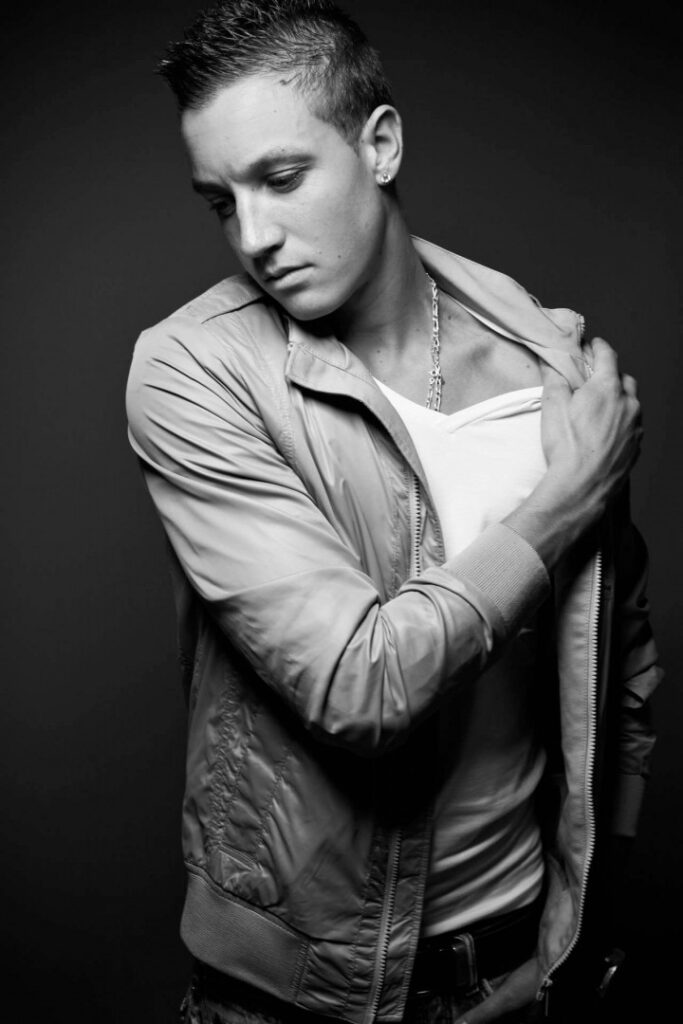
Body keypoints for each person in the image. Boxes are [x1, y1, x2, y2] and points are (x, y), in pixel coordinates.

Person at [125, 2, 662, 1021]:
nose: (254, 237)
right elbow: (356, 685)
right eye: (221, 201)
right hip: (294, 1000)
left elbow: (619, 654)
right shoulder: (193, 371)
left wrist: (590, 898)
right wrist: (563, 499)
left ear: (379, 146)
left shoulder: (548, 364)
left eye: (282, 179)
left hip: (522, 968)